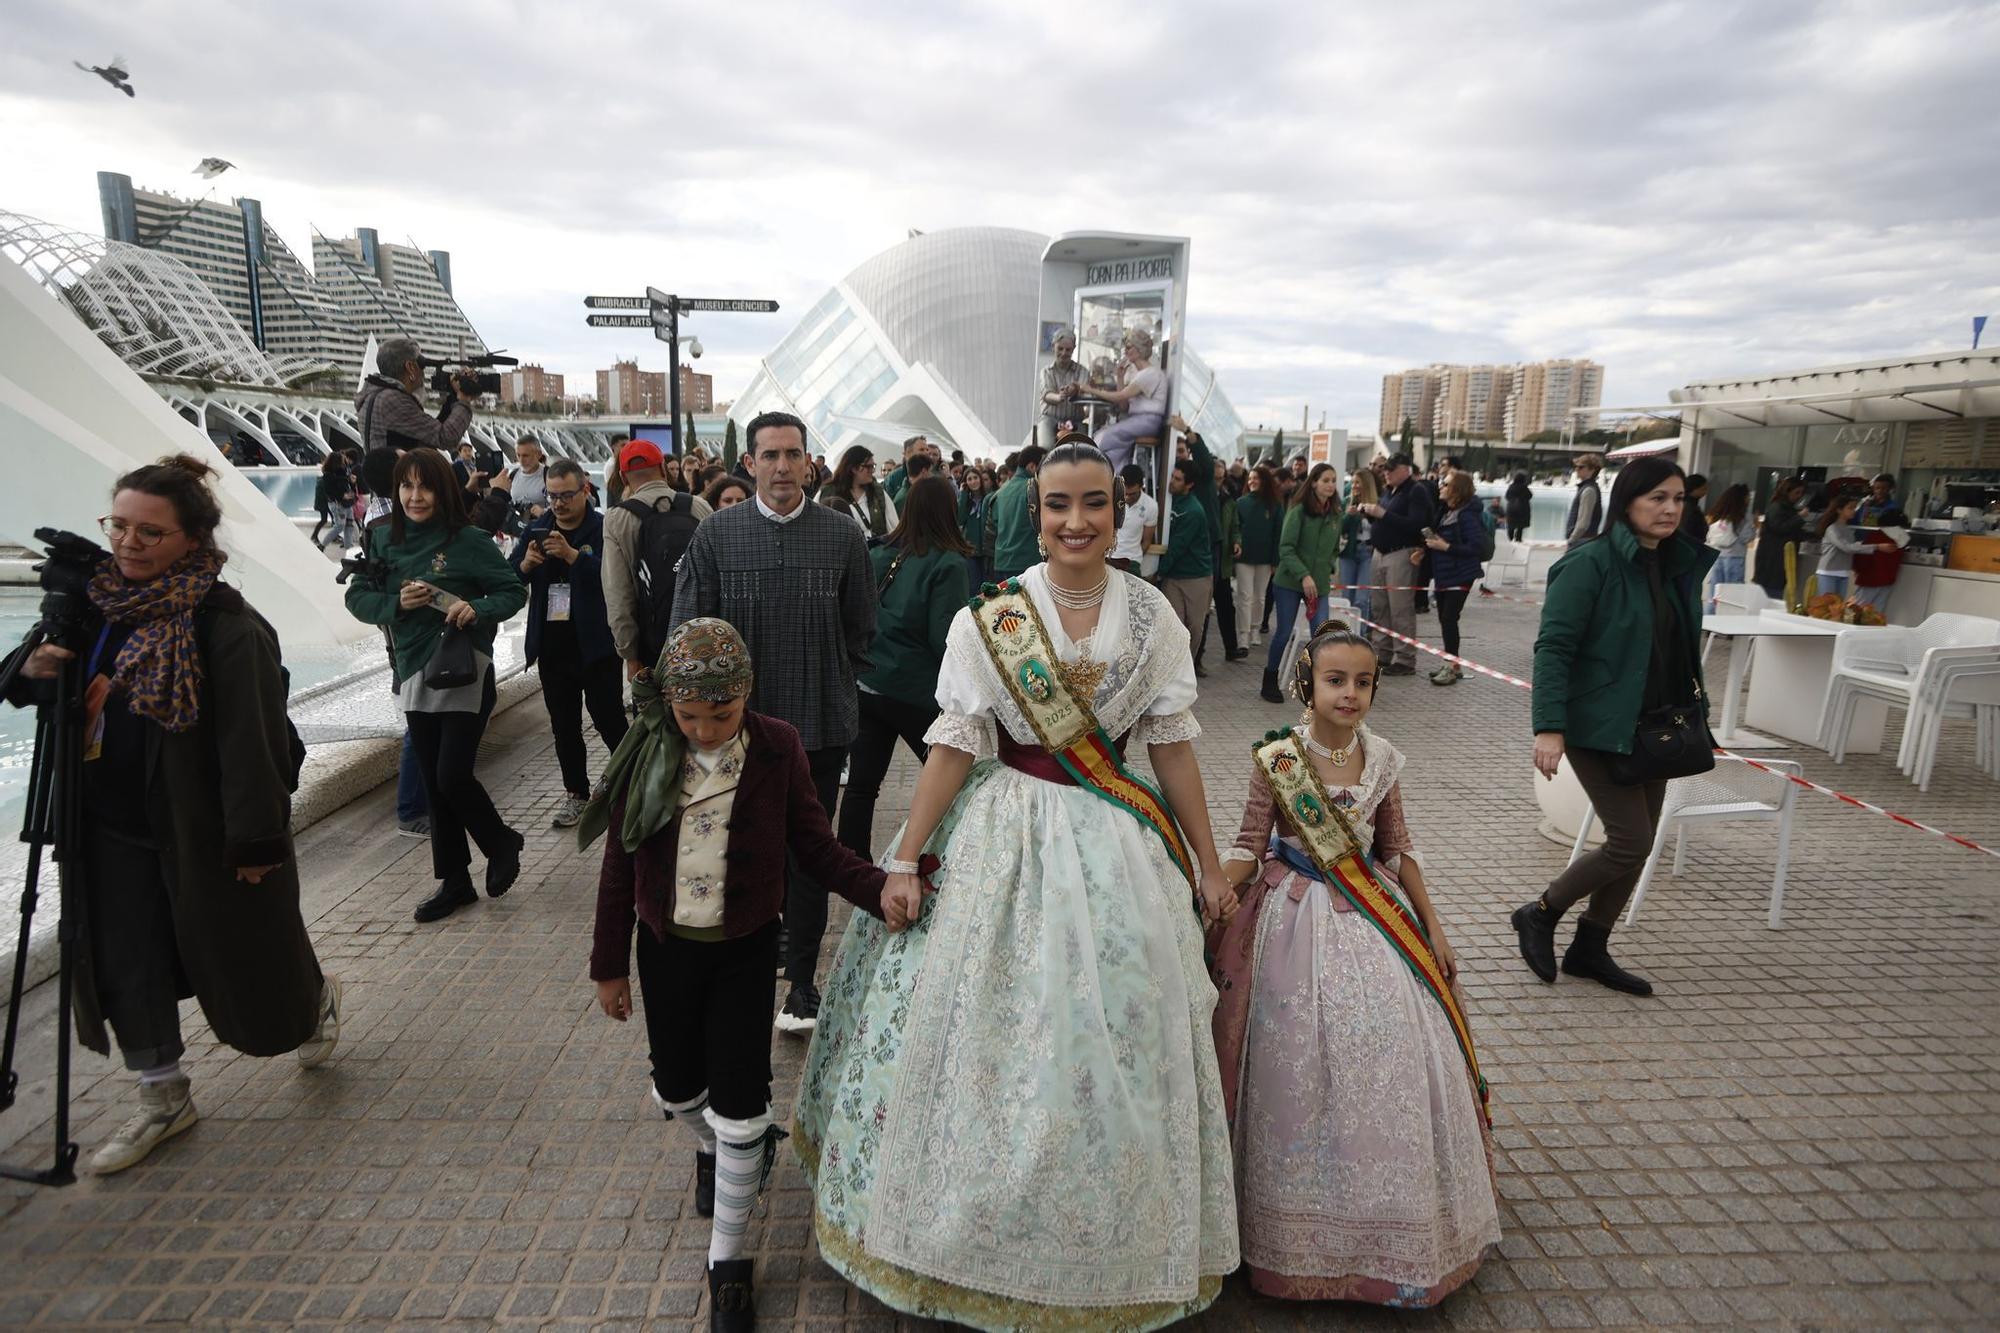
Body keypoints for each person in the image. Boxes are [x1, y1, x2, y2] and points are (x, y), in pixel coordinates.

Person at [795, 438, 1241, 1329]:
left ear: (1122, 512)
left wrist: (1203, 860)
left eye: (1095, 504)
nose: (1076, 522)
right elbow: (955, 743)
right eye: (1057, 505)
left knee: (1113, 1030)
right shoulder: (987, 617)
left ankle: (1104, 1236)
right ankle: (959, 1228)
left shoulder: (1153, 616)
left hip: (1117, 843)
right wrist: (908, 855)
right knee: (984, 1030)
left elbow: (1173, 748)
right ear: (1030, 512)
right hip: (1003, 834)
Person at [3, 456, 339, 1173]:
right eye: (118, 525)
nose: (128, 543)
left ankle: (311, 1002)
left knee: (247, 950)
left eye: (149, 532)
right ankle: (164, 1096)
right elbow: (27, 677)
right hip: (105, 824)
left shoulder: (227, 627)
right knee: (129, 962)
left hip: (199, 827)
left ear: (192, 538)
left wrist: (257, 841)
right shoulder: (91, 606)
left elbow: (251, 743)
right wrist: (32, 673)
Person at [584, 618, 893, 1333]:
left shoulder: (777, 746)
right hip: (666, 950)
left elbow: (815, 845)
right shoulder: (648, 749)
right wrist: (608, 965)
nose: (706, 730)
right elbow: (619, 863)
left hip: (748, 950)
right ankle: (714, 1144)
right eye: (689, 715)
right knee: (676, 1086)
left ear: (745, 695)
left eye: (720, 715)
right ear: (669, 702)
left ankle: (729, 1260)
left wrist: (879, 891)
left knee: (743, 1099)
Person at [1211, 621, 1498, 1303]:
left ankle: (1389, 1228)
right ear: (1307, 682)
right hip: (1291, 922)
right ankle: (1290, 1233)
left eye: (1363, 681)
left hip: (1374, 918)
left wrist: (1434, 926)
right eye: (1336, 680)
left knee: (1389, 1053)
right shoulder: (1277, 757)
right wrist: (1214, 889)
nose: (1351, 693)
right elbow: (1251, 844)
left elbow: (1397, 849)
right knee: (1292, 1065)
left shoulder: (1384, 758)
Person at [670, 411, 876, 1034]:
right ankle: (744, 967)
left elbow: (860, 628)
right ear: (750, 463)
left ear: (810, 462)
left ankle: (802, 983)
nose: (782, 466)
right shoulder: (717, 536)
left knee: (810, 851)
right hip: (735, 730)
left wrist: (828, 674)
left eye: (793, 455)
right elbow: (690, 628)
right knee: (736, 846)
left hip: (817, 722)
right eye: (770, 455)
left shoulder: (842, 536)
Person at [1515, 455, 1713, 997]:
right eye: (1657, 498)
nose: (1670, 509)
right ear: (1626, 501)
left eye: (1678, 499)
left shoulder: (1675, 562)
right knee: (1629, 840)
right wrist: (1549, 727)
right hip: (1598, 723)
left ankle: (1589, 948)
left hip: (1656, 727)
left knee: (1640, 843)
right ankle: (1540, 912)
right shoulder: (1589, 564)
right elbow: (1554, 647)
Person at [344, 448, 529, 923]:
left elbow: (512, 590)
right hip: (411, 669)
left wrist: (477, 609)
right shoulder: (383, 537)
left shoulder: (467, 540)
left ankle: (500, 841)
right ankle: (455, 881)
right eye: (406, 485)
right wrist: (397, 604)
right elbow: (358, 596)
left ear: (444, 489)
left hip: (463, 668)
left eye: (425, 486)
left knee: (451, 775)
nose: (415, 496)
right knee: (431, 779)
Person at [836, 476, 970, 860]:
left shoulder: (879, 552)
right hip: (916, 692)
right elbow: (944, 637)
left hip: (869, 683)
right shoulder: (948, 563)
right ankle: (948, 858)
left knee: (862, 785)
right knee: (951, 780)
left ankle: (852, 866)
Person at [513, 459, 628, 830]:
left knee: (609, 719)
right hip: (553, 646)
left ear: (585, 491)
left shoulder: (604, 528)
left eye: (566, 495)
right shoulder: (536, 529)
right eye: (552, 495)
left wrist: (575, 558)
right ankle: (576, 794)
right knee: (564, 726)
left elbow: (617, 580)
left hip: (596, 645)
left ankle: (630, 785)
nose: (558, 503)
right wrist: (526, 566)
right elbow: (508, 577)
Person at [604, 439, 712, 683]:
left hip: (652, 645)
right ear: (663, 469)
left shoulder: (617, 519)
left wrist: (630, 656)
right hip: (702, 636)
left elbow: (618, 594)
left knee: (658, 717)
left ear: (623, 476)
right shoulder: (699, 507)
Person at [1262, 462, 1342, 702]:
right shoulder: (1298, 512)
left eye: (1333, 480)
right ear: (1314, 482)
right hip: (1289, 581)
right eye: (1326, 480)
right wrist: (1304, 575)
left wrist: (1329, 567)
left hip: (1318, 585)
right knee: (1284, 632)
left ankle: (1317, 685)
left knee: (1323, 635)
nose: (1330, 485)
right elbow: (1286, 548)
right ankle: (1270, 678)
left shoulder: (1336, 513)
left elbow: (1335, 548)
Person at [1355, 453, 1435, 676]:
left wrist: (1383, 513)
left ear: (1405, 470)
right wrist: (1370, 514)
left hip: (1400, 554)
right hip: (1380, 553)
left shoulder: (1416, 491)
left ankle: (1406, 658)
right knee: (1380, 607)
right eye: (1385, 469)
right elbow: (1386, 520)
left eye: (1391, 469)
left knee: (1400, 608)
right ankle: (1383, 652)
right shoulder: (1390, 491)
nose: (1386, 472)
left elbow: (1417, 525)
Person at [1414, 471, 1487, 685]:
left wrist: (1445, 546)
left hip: (1460, 574)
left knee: (1448, 618)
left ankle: (1452, 666)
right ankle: (1451, 664)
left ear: (1457, 489)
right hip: (1445, 573)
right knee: (1445, 620)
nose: (1440, 487)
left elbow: (1475, 547)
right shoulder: (1446, 511)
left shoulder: (1466, 515)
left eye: (1445, 484)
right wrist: (1425, 550)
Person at [356, 337, 474, 453]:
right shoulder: (392, 400)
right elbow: (445, 438)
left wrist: (453, 397)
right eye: (421, 364)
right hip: (395, 472)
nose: (423, 372)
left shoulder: (376, 395)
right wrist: (464, 399)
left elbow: (429, 436)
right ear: (410, 367)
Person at [1077, 328, 1169, 473]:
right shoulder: (1138, 375)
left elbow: (1120, 396)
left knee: (1104, 436)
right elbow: (1124, 406)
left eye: (1128, 347)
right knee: (1114, 451)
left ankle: (1090, 470)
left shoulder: (1150, 374)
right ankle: (1114, 478)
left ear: (1138, 349)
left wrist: (1091, 390)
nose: (1125, 351)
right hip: (1136, 421)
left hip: (1147, 421)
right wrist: (1120, 377)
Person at [1157, 457, 1215, 674]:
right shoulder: (1167, 500)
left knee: (1194, 626)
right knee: (1173, 625)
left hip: (1195, 577)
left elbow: (1178, 546)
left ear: (1189, 484)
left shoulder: (1193, 511)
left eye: (1177, 479)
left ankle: (1184, 671)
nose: (1172, 481)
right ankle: (1171, 671)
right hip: (1173, 576)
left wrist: (1159, 573)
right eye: (1172, 476)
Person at [1234, 464, 1282, 648]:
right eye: (1250, 478)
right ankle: (1243, 635)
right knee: (1244, 596)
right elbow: (1235, 528)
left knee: (1260, 597)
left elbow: (1278, 534)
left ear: (1265, 481)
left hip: (1265, 559)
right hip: (1243, 558)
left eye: (1256, 478)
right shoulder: (1241, 503)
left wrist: (1275, 560)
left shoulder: (1275, 506)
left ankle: (1255, 628)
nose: (1252, 481)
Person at [986, 442, 1045, 583]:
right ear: (1032, 466)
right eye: (1044, 466)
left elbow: (990, 532)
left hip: (1001, 564)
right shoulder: (1036, 489)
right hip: (1028, 564)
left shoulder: (999, 493)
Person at [823, 443, 898, 539]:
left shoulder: (878, 493)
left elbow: (894, 529)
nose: (872, 471)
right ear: (854, 468)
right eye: (868, 467)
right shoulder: (827, 493)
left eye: (873, 466)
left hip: (875, 552)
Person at [1752, 476, 1809, 599]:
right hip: (1772, 559)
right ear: (1787, 491)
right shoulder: (1777, 507)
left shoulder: (1788, 509)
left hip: (1779, 559)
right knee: (1770, 594)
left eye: (1801, 493)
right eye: (1796, 492)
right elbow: (1779, 527)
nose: (1799, 496)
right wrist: (1799, 517)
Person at [1337, 466, 1380, 625]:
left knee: (1362, 598)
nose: (1354, 486)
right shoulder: (1345, 502)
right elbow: (1338, 528)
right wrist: (1348, 515)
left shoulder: (1377, 504)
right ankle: (1347, 632)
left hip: (1368, 552)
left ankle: (1360, 635)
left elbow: (1380, 528)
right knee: (1347, 596)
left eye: (1358, 482)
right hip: (1349, 552)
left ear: (1367, 485)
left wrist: (1371, 515)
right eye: (1353, 482)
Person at [1703, 482, 1754, 610]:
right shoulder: (1742, 517)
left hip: (1717, 558)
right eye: (1748, 496)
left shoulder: (1717, 514)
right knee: (1732, 596)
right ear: (1742, 498)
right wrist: (1754, 528)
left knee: (1714, 595)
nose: (1749, 499)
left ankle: (1709, 623)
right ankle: (1727, 623)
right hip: (1735, 558)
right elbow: (1746, 537)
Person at [1037, 326, 1088, 444]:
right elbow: (1046, 394)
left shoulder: (1083, 372)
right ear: (1053, 347)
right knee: (1046, 448)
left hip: (1075, 421)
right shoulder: (1046, 371)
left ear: (1073, 349)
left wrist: (1075, 390)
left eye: (1068, 350)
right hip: (1050, 420)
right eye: (1060, 348)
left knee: (1084, 450)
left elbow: (1085, 393)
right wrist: (1059, 397)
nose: (1064, 353)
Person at [1814, 494, 1871, 598]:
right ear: (1839, 510)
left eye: (1854, 508)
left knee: (1838, 608)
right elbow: (1847, 547)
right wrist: (1875, 547)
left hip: (1843, 572)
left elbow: (1850, 548)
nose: (1853, 511)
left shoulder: (1848, 529)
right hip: (1828, 572)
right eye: (1850, 508)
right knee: (1827, 606)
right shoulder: (1832, 528)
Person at [1110, 461, 1159, 575]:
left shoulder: (1151, 505)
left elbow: (1146, 541)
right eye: (1125, 493)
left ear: (1141, 487)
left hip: (1132, 561)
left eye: (1132, 494)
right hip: (1109, 558)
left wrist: (1134, 557)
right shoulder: (1111, 499)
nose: (1126, 497)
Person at [954, 464, 991, 587]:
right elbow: (959, 519)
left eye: (975, 477)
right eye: (969, 479)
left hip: (987, 550)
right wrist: (963, 493)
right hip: (971, 550)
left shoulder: (988, 498)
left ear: (980, 478)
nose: (973, 481)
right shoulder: (966, 500)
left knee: (987, 586)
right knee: (974, 585)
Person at [1564, 453, 1605, 547]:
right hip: (1583, 540)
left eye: (1581, 467)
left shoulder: (1588, 490)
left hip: (1582, 541)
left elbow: (1583, 523)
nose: (1577, 469)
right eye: (1576, 466)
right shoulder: (1588, 488)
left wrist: (1572, 540)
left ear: (1592, 470)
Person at [881, 435, 928, 507]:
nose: (926, 453)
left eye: (927, 450)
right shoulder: (892, 479)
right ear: (907, 454)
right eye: (921, 450)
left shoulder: (934, 476)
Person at [510, 436, 549, 516]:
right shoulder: (513, 475)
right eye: (518, 455)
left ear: (539, 454)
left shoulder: (549, 475)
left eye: (525, 456)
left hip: (540, 526)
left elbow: (562, 505)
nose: (521, 461)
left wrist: (543, 512)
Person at [1679, 473, 1710, 543]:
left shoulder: (1690, 505)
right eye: (1703, 489)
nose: (1705, 492)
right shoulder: (1687, 507)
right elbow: (1685, 529)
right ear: (1694, 489)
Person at [1504, 471, 1534, 542]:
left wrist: (1512, 501)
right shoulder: (1524, 487)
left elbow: (1507, 496)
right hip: (1522, 509)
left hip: (1511, 508)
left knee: (1511, 525)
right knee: (1520, 525)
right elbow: (1530, 495)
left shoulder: (1511, 487)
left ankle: (1509, 538)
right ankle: (1518, 538)